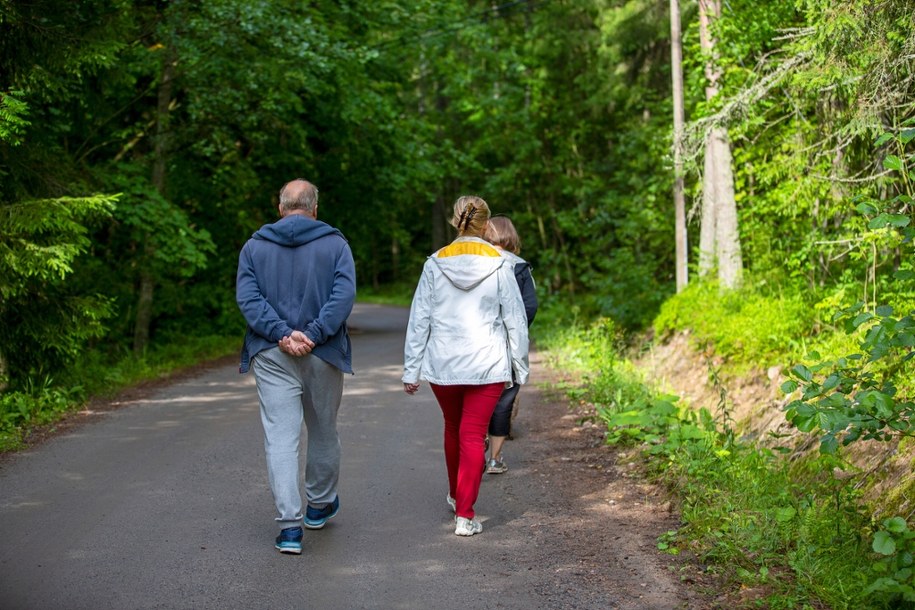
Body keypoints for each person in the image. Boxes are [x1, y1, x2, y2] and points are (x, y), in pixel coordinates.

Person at [236, 179, 356, 555]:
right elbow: (343, 296)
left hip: (272, 353)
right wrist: (314, 334)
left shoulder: (254, 246)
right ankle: (318, 506)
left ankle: (290, 528)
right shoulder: (336, 245)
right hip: (323, 352)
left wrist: (282, 334)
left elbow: (248, 298)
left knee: (280, 439)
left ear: (280, 206)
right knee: (323, 429)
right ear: (315, 208)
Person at [402, 195, 529, 537]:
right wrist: (521, 367)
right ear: (487, 225)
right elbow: (514, 320)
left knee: (452, 428)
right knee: (473, 434)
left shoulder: (434, 263)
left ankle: (456, 495)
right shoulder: (502, 264)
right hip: (487, 363)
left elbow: (420, 320)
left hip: (444, 363)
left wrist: (411, 369)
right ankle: (465, 514)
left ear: (454, 220)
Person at [482, 216, 538, 474]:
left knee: (477, 396)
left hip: (478, 342)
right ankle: (495, 459)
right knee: (504, 400)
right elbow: (530, 307)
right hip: (508, 344)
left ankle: (475, 441)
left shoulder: (474, 263)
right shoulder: (520, 267)